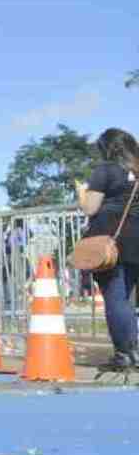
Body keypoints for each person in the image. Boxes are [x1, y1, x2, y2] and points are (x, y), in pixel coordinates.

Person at [76, 128, 139, 369]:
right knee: (126, 299)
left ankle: (125, 353)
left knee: (114, 297)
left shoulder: (106, 170)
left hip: (109, 239)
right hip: (136, 239)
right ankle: (132, 351)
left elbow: (91, 208)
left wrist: (82, 193)